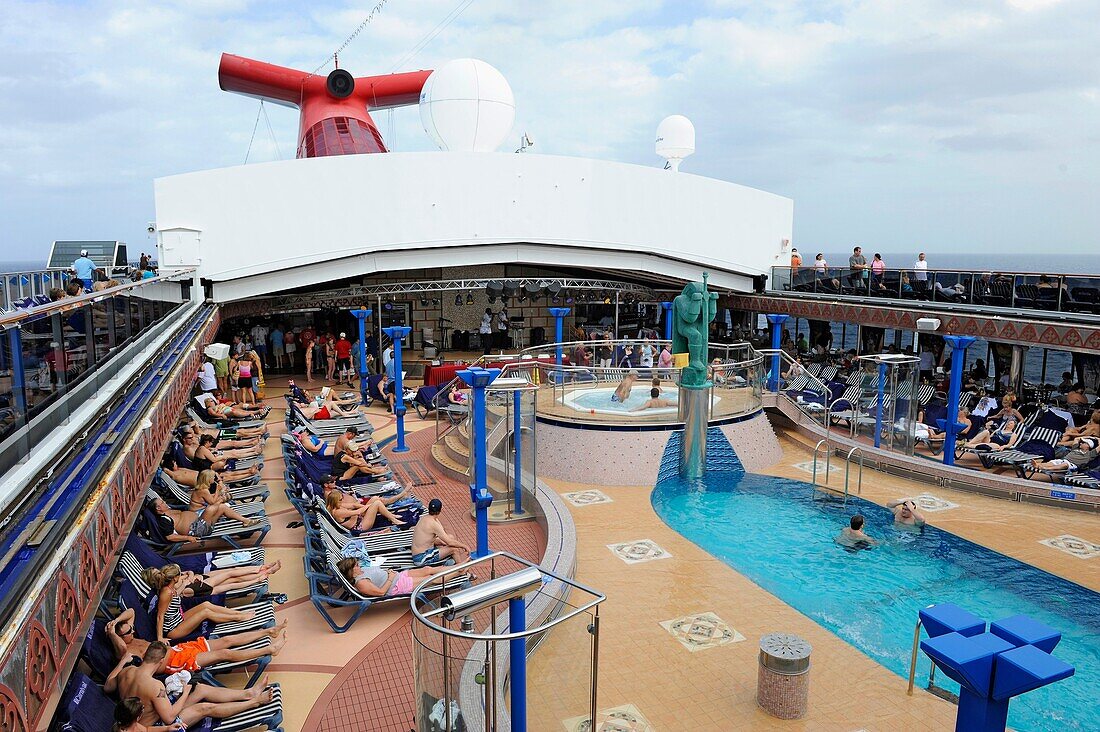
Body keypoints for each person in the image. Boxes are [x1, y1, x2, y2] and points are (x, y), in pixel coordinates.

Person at [105, 643, 274, 729]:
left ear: (145, 656)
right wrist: (186, 692)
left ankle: (248, 694)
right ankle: (255, 702)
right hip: (154, 727)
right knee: (204, 708)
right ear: (161, 660)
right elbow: (169, 718)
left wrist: (122, 662)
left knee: (201, 689)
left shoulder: (127, 671)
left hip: (145, 714)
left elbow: (107, 687)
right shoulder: (155, 686)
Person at [105, 609, 286, 683]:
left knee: (227, 640)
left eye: (132, 628)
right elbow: (119, 644)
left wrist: (117, 621)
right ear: (119, 637)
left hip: (180, 649)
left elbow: (131, 612)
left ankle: (269, 632)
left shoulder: (130, 636)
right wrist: (112, 633)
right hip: (176, 663)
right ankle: (270, 649)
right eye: (129, 632)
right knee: (224, 653)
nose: (133, 632)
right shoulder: (123, 650)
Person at [337, 557, 449, 598]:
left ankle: (459, 566)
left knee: (427, 569)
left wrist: (388, 572)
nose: (359, 565)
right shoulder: (361, 583)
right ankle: (459, 571)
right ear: (351, 571)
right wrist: (390, 577)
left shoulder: (360, 572)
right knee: (430, 578)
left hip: (397, 576)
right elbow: (381, 592)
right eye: (356, 565)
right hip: (396, 586)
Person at [411, 498, 471, 566]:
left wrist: (444, 542)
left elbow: (430, 539)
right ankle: (461, 570)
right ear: (440, 511)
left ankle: (451, 560)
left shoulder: (425, 518)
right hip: (421, 558)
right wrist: (465, 546)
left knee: (450, 537)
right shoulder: (433, 524)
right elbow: (450, 542)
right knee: (454, 549)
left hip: (420, 552)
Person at [325, 489, 405, 531]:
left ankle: (391, 516)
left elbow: (354, 505)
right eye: (340, 499)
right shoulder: (338, 512)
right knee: (376, 503)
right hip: (360, 527)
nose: (342, 500)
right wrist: (369, 506)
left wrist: (365, 505)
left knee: (375, 498)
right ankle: (394, 519)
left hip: (359, 519)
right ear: (335, 501)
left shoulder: (337, 505)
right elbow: (358, 511)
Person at [1032, 437, 1100, 472]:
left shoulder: (1090, 454)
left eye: (1083, 443)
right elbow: (1076, 439)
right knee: (1053, 462)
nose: (1081, 443)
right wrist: (1089, 437)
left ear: (1088, 446)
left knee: (1065, 465)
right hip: (1063, 460)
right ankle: (1038, 466)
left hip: (1073, 465)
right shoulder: (1075, 448)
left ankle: (1046, 469)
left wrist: (1097, 439)